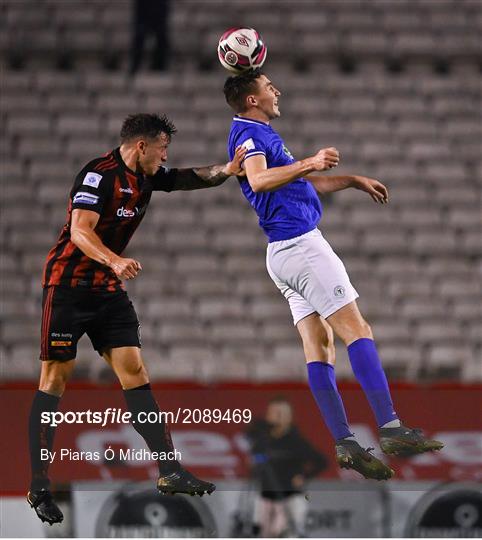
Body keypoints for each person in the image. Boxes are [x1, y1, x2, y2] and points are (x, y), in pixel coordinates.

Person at [223, 69, 443, 482]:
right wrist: (310, 159)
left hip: (281, 253)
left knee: (319, 347)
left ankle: (344, 441)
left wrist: (352, 180)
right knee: (357, 330)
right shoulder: (251, 135)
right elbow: (258, 178)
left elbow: (303, 185)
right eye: (269, 87)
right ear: (253, 99)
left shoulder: (256, 134)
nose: (277, 91)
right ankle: (392, 428)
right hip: (302, 246)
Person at [28, 113, 246, 525]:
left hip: (107, 290)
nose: (166, 155)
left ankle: (169, 470)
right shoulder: (99, 175)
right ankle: (39, 485)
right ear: (141, 146)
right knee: (54, 379)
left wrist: (227, 170)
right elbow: (79, 231)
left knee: (135, 371)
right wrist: (115, 259)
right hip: (68, 287)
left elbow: (185, 178)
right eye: (162, 147)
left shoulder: (146, 176)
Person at [246, 396, 328, 537]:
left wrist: (304, 477)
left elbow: (321, 461)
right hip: (266, 496)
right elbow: (254, 460)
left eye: (282, 413)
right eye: (274, 413)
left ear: (289, 417)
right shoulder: (262, 439)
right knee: (261, 534)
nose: (277, 417)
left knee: (290, 534)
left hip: (290, 496)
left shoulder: (295, 440)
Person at [129, 0, 170, 73]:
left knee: (162, 39)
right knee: (139, 37)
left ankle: (159, 66)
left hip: (159, 10)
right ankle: (135, 65)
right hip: (144, 11)